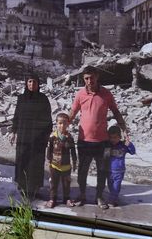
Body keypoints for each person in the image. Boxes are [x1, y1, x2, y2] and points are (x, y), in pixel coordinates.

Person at [67, 66, 128, 207]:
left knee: (102, 170)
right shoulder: (80, 94)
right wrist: (63, 127)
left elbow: (115, 111)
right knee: (82, 170)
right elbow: (72, 112)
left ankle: (99, 197)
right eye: (86, 78)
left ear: (97, 76)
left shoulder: (106, 94)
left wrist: (124, 128)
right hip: (83, 141)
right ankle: (82, 194)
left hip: (103, 142)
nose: (89, 81)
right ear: (84, 79)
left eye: (92, 77)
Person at [11, 75, 52, 201]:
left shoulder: (43, 99)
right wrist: (13, 132)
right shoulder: (21, 99)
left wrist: (47, 134)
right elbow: (16, 115)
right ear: (26, 83)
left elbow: (48, 118)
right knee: (23, 160)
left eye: (34, 81)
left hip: (38, 137)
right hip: (23, 136)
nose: (32, 84)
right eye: (29, 81)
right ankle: (23, 188)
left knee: (36, 162)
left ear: (38, 84)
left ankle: (34, 189)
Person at [45, 112, 77, 208]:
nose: (62, 125)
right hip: (54, 165)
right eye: (60, 123)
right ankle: (52, 199)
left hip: (66, 166)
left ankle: (66, 198)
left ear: (68, 124)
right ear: (56, 124)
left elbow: (73, 151)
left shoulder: (69, 138)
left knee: (66, 184)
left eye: (64, 123)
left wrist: (74, 162)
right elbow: (49, 149)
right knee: (53, 184)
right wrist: (49, 161)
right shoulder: (52, 137)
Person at [103, 125, 135, 208]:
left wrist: (129, 144)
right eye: (111, 137)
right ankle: (114, 197)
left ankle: (112, 200)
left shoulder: (123, 145)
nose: (113, 139)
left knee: (116, 186)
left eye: (115, 137)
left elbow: (133, 152)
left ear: (119, 137)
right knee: (110, 186)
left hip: (119, 171)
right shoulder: (108, 146)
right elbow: (105, 157)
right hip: (109, 171)